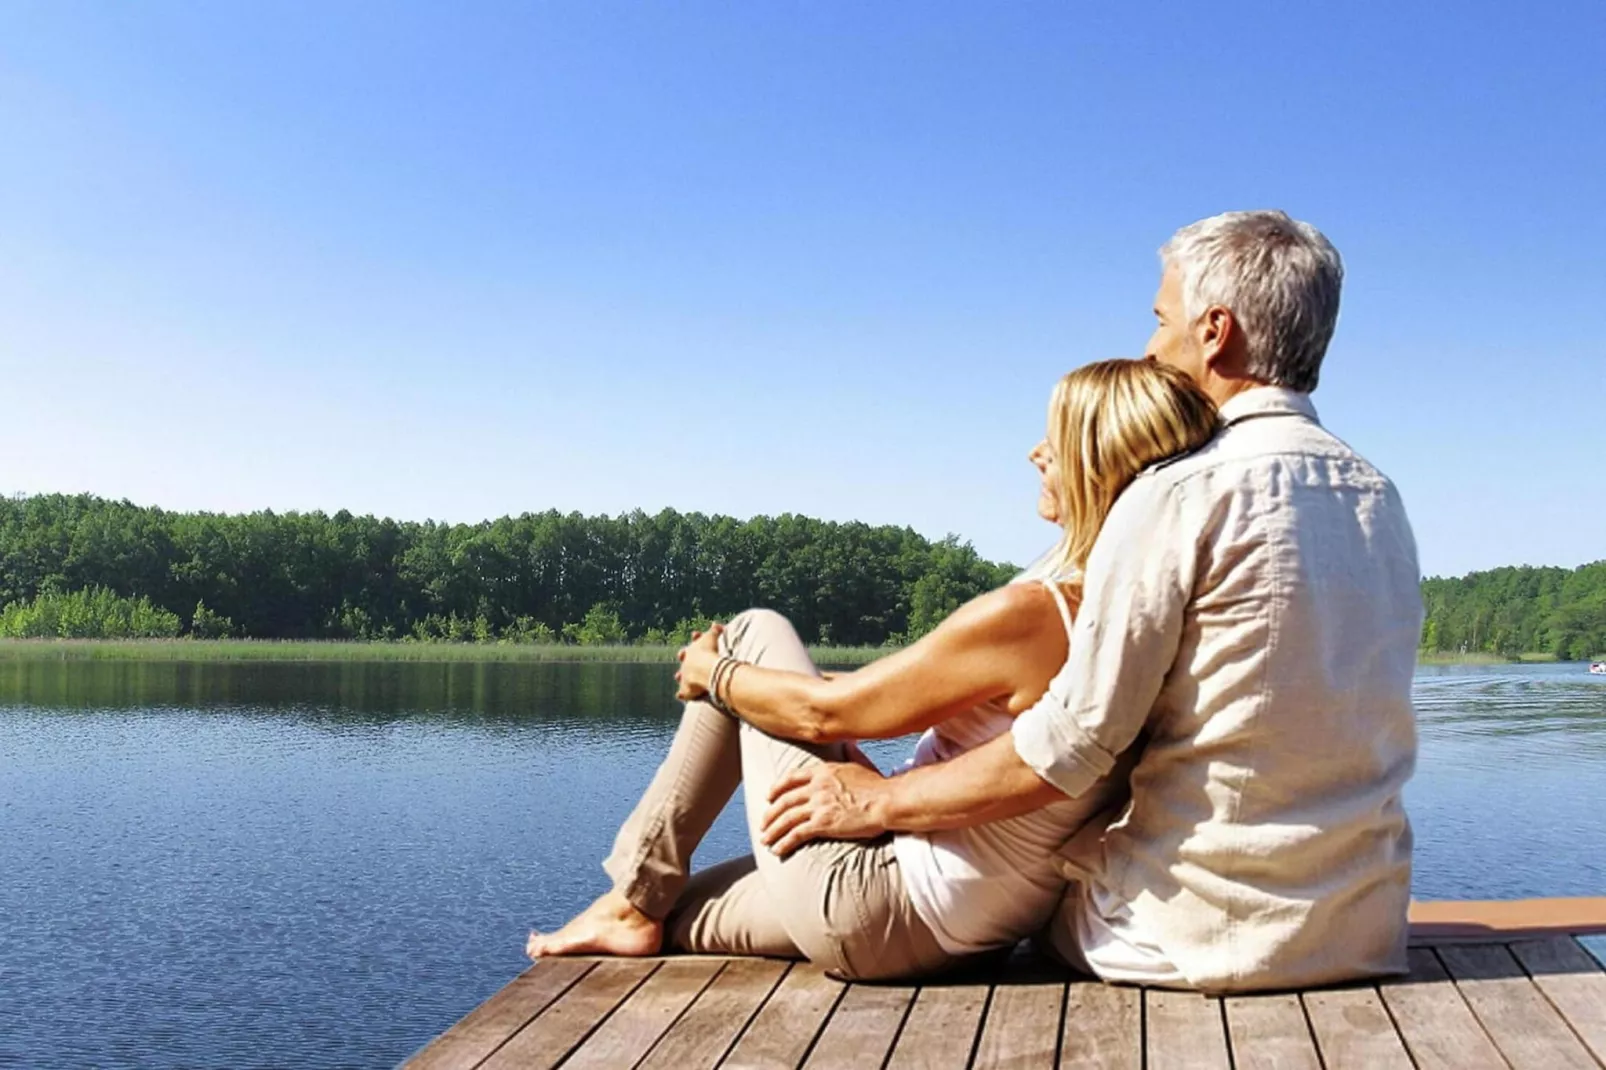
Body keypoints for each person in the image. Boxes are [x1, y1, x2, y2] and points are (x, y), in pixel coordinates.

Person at [757, 210, 1425, 993]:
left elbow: (1070, 746)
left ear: (1215, 331)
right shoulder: (1380, 498)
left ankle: (643, 897)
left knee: (1001, 878)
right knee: (758, 903)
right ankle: (651, 903)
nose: (1149, 346)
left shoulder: (1179, 492)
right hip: (1362, 928)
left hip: (1189, 935)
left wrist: (881, 802)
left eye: (1159, 319)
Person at [525, 359, 1219, 980]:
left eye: (1055, 438)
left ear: (1102, 462)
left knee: (751, 632)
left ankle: (633, 890)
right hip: (973, 929)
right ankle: (639, 906)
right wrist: (764, 700)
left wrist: (715, 672)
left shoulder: (1036, 615)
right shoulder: (1137, 619)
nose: (1036, 452)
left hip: (885, 901)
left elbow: (828, 714)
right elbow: (859, 700)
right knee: (677, 916)